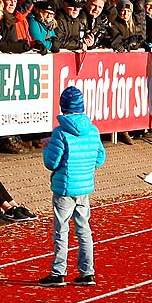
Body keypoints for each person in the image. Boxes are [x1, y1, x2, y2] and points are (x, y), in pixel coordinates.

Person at [40, 86, 104, 287]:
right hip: (84, 187)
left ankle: (58, 272)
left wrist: (47, 147)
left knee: (61, 231)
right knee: (84, 229)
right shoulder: (93, 130)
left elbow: (52, 163)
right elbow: (100, 157)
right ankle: (87, 272)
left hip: (64, 188)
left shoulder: (60, 132)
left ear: (63, 107)